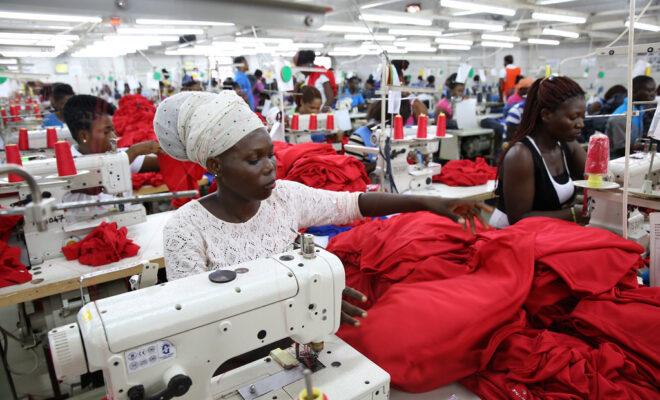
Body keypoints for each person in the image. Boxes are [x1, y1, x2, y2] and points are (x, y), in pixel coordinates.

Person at [156, 90, 482, 326]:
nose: (271, 167)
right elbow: (196, 319)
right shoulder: (185, 229)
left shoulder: (283, 197)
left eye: (270, 154)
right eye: (254, 160)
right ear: (216, 165)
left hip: (296, 334)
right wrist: (301, 305)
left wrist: (424, 201)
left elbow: (352, 203)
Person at [490, 76, 587, 229]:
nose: (581, 124)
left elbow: (598, 178)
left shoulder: (568, 145)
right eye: (573, 117)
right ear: (546, 115)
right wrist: (573, 213)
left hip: (546, 233)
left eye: (583, 117)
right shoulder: (520, 155)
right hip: (510, 238)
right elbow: (519, 219)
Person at [62, 95, 160, 174]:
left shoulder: (118, 155)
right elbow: (97, 177)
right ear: (84, 136)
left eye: (113, 130)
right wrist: (134, 151)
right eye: (106, 132)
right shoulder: (66, 166)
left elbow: (160, 164)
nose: (114, 137)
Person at [607, 76, 657, 155]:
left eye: (654, 90)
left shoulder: (640, 109)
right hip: (617, 160)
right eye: (649, 90)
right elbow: (621, 149)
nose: (653, 94)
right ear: (634, 91)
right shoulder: (621, 116)